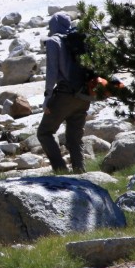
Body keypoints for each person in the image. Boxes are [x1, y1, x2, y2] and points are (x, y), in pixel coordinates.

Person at [37, 12, 92, 174]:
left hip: (65, 94)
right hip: (84, 95)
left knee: (44, 133)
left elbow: (52, 72)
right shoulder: (80, 39)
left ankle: (61, 170)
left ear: (52, 26)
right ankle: (80, 172)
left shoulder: (54, 41)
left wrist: (47, 98)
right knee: (74, 139)